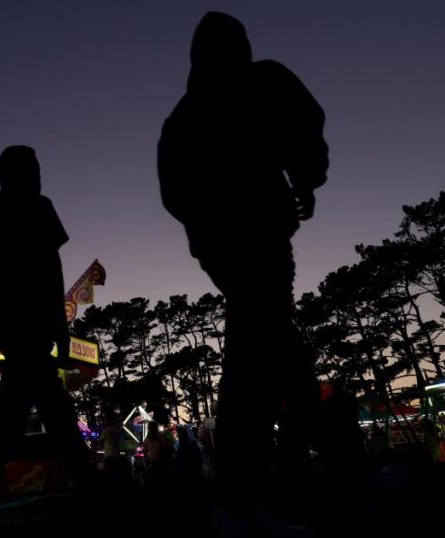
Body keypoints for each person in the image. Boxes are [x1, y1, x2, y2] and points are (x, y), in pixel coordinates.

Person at [157, 11, 328, 518]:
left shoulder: (184, 117)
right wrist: (303, 180)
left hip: (228, 247)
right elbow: (304, 125)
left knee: (260, 340)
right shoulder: (262, 82)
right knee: (265, 343)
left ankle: (256, 478)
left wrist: (209, 229)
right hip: (258, 236)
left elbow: (175, 194)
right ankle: (276, 472)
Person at [0, 145, 96, 524]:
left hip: (15, 333)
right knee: (49, 418)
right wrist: (62, 334)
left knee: (21, 418)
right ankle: (89, 493)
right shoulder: (40, 210)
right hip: (34, 334)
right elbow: (53, 274)